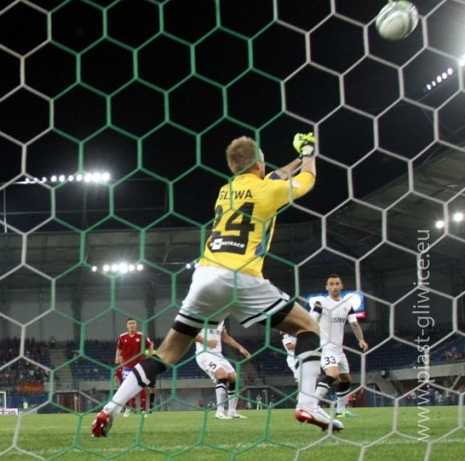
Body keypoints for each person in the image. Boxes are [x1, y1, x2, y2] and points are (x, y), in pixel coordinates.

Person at [92, 133, 341, 437]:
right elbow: (308, 180)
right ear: (259, 163)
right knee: (308, 328)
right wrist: (309, 153)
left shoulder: (226, 191)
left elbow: (274, 176)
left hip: (205, 275)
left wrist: (296, 160)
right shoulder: (268, 190)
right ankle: (308, 404)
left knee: (166, 353)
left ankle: (109, 409)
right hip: (242, 277)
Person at [309, 274, 369, 418]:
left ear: (341, 286)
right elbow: (310, 321)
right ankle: (311, 406)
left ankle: (341, 411)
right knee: (333, 374)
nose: (335, 286)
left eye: (337, 284)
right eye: (331, 284)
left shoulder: (347, 305)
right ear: (327, 287)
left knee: (345, 378)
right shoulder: (321, 303)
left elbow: (354, 324)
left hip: (338, 349)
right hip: (325, 347)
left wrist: (361, 340)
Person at [195, 321, 250, 420]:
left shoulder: (221, 320)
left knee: (234, 378)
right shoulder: (201, 317)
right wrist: (206, 342)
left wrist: (240, 348)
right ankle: (219, 412)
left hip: (218, 355)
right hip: (204, 354)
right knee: (222, 375)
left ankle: (232, 411)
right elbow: (190, 334)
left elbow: (225, 337)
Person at [114, 318, 154, 416]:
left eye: (133, 323)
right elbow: (118, 348)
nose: (131, 325)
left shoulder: (142, 335)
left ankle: (143, 410)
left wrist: (150, 357)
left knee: (142, 387)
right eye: (129, 323)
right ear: (127, 325)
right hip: (127, 366)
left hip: (140, 365)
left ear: (136, 325)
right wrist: (117, 358)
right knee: (127, 388)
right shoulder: (122, 337)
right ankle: (128, 408)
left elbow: (150, 345)